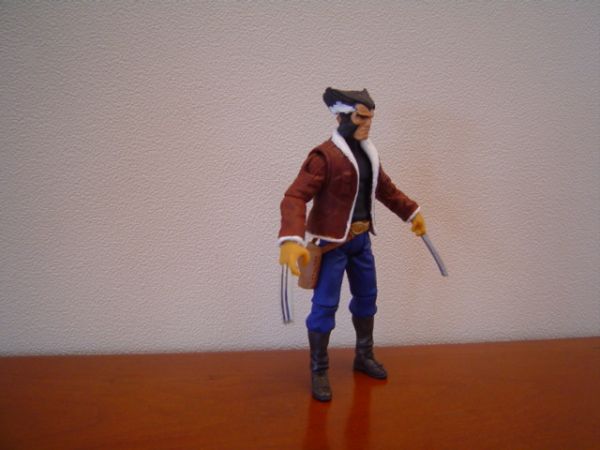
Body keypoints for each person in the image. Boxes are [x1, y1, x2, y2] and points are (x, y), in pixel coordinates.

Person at [278, 87, 426, 402]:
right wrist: (291, 237)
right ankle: (319, 369)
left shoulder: (369, 153)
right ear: (341, 117)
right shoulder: (324, 157)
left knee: (367, 298)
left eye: (370, 118)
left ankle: (364, 355)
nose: (367, 124)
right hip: (332, 246)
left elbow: (386, 190)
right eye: (361, 117)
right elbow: (295, 196)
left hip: (362, 241)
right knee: (325, 306)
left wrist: (411, 213)